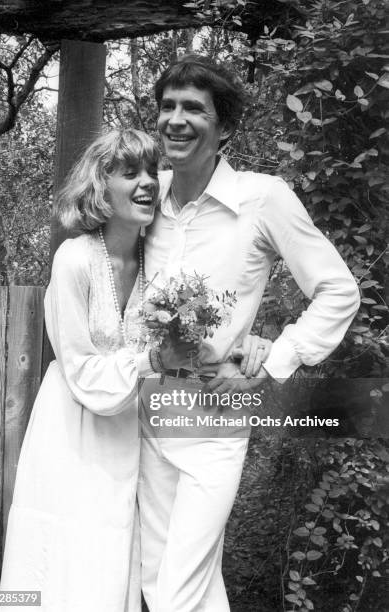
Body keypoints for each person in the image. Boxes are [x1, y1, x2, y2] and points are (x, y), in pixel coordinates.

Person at [138, 54, 361, 612]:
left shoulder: (263, 198)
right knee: (161, 578)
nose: (175, 119)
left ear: (225, 127)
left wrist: (271, 357)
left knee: (177, 591)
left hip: (215, 420)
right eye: (167, 106)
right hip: (143, 414)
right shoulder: (146, 198)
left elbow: (338, 290)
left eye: (194, 108)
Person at [0, 128, 195, 612]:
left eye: (153, 171)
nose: (148, 182)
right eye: (131, 173)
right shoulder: (74, 260)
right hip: (71, 432)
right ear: (99, 187)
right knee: (59, 555)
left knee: (109, 562)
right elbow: (82, 370)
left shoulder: (164, 263)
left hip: (131, 433)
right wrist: (151, 360)